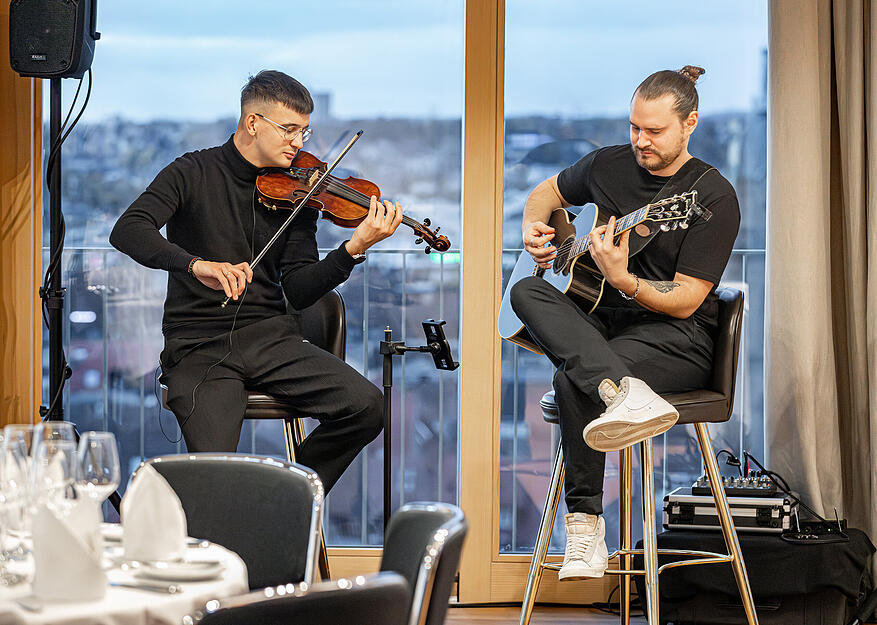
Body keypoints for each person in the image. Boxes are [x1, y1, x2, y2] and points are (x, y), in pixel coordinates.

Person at [110, 70, 403, 493]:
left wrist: (352, 249)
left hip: (271, 339)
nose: (299, 143)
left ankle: (282, 496)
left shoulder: (301, 192)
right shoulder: (192, 171)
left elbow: (300, 289)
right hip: (198, 344)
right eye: (288, 130)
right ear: (253, 123)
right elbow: (129, 229)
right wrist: (197, 265)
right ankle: (233, 524)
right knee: (214, 477)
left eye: (304, 131)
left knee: (367, 407)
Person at [509, 66, 740, 580]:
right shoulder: (607, 165)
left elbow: (685, 301)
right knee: (526, 288)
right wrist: (535, 229)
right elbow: (546, 192)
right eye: (634, 127)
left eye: (654, 131)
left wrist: (625, 278)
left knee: (575, 376)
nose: (640, 141)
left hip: (677, 340)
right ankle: (618, 390)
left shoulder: (711, 196)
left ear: (689, 124)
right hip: (601, 326)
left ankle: (585, 529)